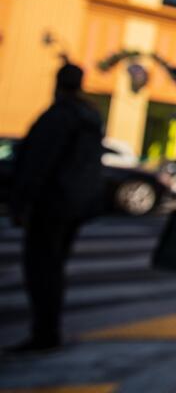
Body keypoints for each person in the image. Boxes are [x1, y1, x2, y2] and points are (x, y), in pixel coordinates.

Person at [9, 62, 104, 352]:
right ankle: (48, 329)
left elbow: (38, 163)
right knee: (52, 268)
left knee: (42, 270)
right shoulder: (89, 116)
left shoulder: (60, 117)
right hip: (73, 205)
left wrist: (22, 202)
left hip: (51, 205)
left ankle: (45, 332)